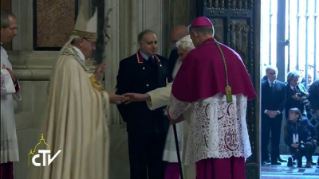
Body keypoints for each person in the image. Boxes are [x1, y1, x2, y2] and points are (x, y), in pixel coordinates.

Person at [27, 5, 126, 179]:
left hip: (71, 131)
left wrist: (94, 77)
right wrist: (105, 97)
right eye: (92, 44)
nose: (94, 48)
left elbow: (81, 92)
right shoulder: (70, 65)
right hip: (70, 135)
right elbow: (79, 101)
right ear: (81, 41)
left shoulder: (72, 62)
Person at [166, 16, 256, 179]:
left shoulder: (196, 57)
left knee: (212, 170)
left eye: (192, 37)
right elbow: (244, 97)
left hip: (210, 133)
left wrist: (172, 113)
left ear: (195, 34)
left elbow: (180, 92)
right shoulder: (234, 55)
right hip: (233, 133)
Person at [124, 35, 195, 179]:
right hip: (148, 123)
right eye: (150, 42)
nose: (179, 59)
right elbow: (174, 88)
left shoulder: (171, 63)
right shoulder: (130, 63)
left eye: (182, 55)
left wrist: (144, 97)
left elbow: (175, 89)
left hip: (194, 121)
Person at [115, 29, 169, 179]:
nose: (154, 46)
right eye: (149, 43)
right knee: (138, 168)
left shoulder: (163, 62)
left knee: (158, 168)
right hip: (139, 125)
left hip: (159, 124)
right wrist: (131, 119)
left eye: (155, 42)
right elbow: (122, 95)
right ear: (140, 44)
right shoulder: (129, 64)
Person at [0, 11, 21, 179]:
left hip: (4, 113)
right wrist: (6, 76)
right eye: (12, 28)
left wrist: (12, 78)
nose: (15, 32)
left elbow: (10, 79)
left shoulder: (3, 52)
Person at [261, 66, 286, 165]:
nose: (273, 75)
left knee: (276, 137)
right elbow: (260, 101)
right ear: (266, 74)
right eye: (271, 73)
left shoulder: (281, 85)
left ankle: (274, 159)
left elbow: (284, 100)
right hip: (265, 116)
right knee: (264, 137)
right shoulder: (261, 85)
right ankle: (264, 157)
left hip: (277, 116)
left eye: (274, 73)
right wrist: (266, 111)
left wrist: (278, 111)